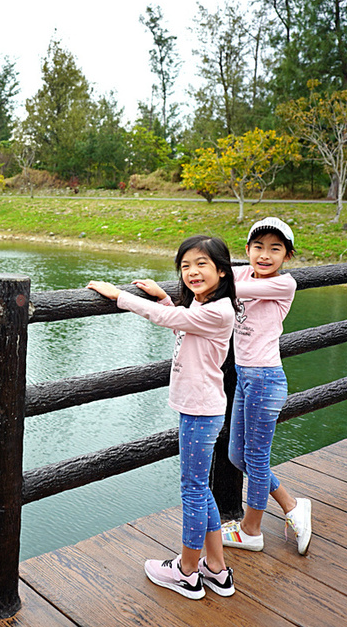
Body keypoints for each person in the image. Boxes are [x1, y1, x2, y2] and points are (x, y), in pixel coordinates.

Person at [87, 235, 238, 600]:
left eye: (201, 264)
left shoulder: (219, 310)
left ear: (221, 270)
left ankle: (187, 572)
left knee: (192, 490)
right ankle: (216, 570)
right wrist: (165, 296)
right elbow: (181, 321)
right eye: (185, 266)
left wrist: (120, 296)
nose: (192, 272)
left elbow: (172, 319)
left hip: (200, 411)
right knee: (200, 488)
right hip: (200, 408)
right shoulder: (204, 309)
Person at [221, 216, 312, 555]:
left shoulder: (283, 284)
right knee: (236, 455)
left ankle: (252, 530)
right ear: (247, 249)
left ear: (287, 256)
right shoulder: (242, 271)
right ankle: (291, 506)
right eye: (258, 247)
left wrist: (211, 276)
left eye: (275, 249)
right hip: (246, 377)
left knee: (256, 459)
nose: (265, 254)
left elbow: (226, 285)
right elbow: (218, 272)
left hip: (265, 378)